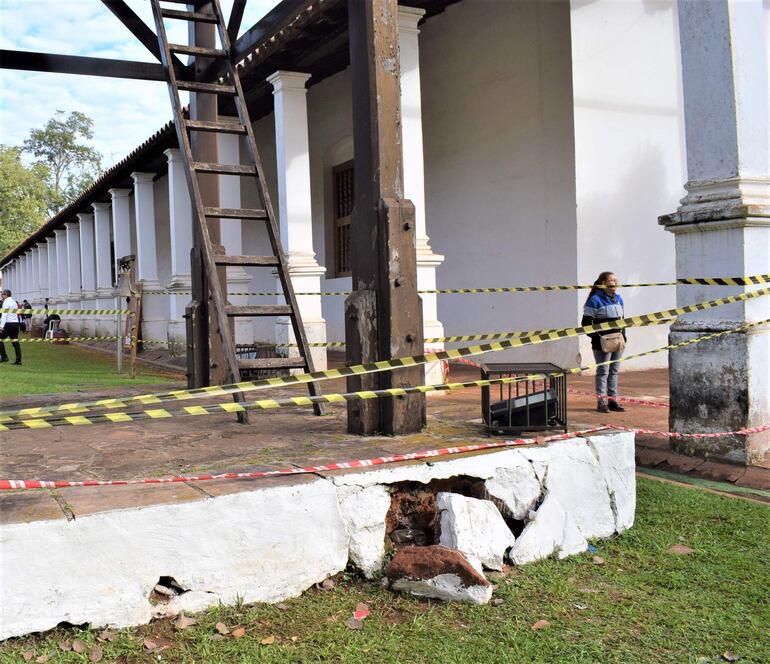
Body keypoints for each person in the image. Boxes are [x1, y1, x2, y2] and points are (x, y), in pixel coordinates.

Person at [582, 271, 625, 413]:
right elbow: (586, 324)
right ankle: (602, 402)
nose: (614, 282)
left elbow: (623, 321)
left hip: (618, 342)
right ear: (603, 283)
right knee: (603, 371)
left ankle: (613, 400)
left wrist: (624, 337)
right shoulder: (594, 300)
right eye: (611, 280)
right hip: (602, 343)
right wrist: (598, 338)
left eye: (616, 280)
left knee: (614, 371)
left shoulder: (619, 299)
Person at [0, 288, 22, 365]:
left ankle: (4, 357)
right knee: (15, 342)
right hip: (15, 323)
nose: (1, 296)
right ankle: (18, 360)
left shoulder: (6, 303)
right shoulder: (14, 302)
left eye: (2, 294)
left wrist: (1, 326)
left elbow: (4, 315)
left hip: (8, 324)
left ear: (5, 295)